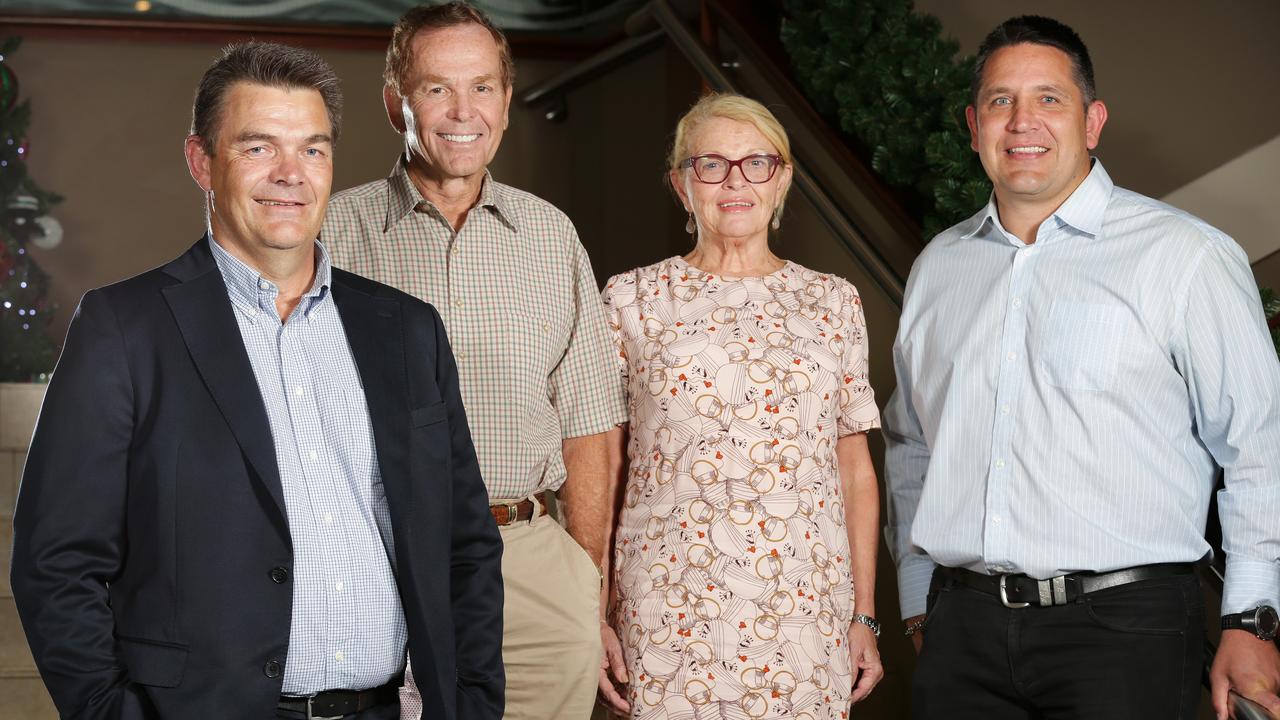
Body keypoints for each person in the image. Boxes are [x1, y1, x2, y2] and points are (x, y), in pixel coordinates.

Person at [9, 42, 504, 720]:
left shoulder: (407, 331)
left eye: (312, 149)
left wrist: (472, 704)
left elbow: (465, 546)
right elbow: (57, 563)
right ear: (201, 162)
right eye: (257, 148)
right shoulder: (124, 328)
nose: (289, 174)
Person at [883, 15, 1280, 720]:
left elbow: (1259, 445)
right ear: (974, 125)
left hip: (1128, 630)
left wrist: (1248, 619)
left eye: (1049, 98)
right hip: (962, 634)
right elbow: (912, 443)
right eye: (1001, 101)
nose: (1022, 121)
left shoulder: (1184, 257)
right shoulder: (939, 268)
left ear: (1092, 121)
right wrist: (920, 600)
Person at [320, 3, 627, 718]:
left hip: (530, 562)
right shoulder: (333, 230)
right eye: (436, 88)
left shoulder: (551, 236)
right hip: (378, 558)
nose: (464, 111)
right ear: (396, 100)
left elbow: (589, 424)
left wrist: (586, 586)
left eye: (482, 87)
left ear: (508, 101)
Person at [597, 93, 885, 719]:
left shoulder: (832, 302)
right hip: (670, 602)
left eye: (757, 163)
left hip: (805, 608)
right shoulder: (632, 298)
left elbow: (855, 470)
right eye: (711, 165)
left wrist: (865, 613)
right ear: (681, 184)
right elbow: (607, 468)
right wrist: (596, 615)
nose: (735, 182)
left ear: (781, 178)